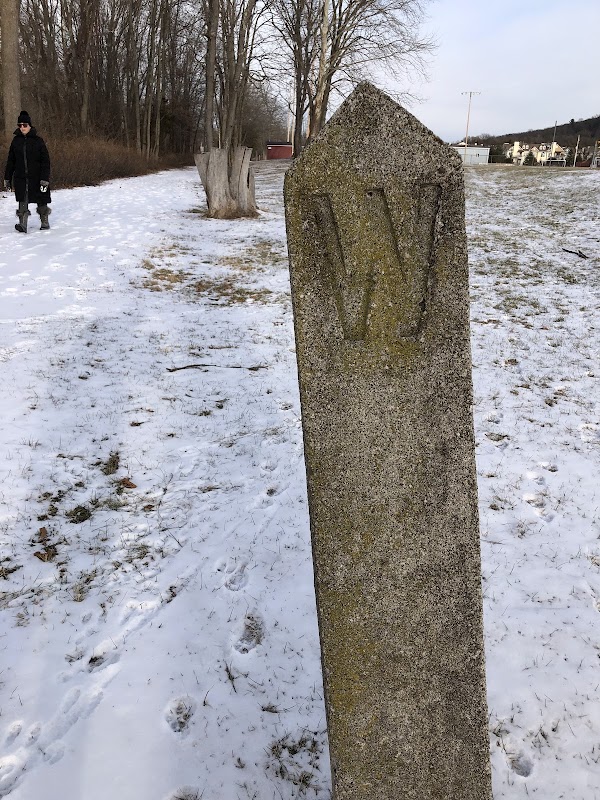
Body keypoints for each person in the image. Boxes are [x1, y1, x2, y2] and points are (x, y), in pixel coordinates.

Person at [3, 110, 51, 233]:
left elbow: (45, 161)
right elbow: (11, 161)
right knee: (22, 199)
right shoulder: (16, 141)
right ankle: (22, 224)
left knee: (41, 198)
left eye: (25, 125)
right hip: (21, 177)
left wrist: (44, 179)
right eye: (20, 125)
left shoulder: (38, 141)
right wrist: (7, 178)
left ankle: (44, 221)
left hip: (37, 176)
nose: (22, 127)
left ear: (30, 126)